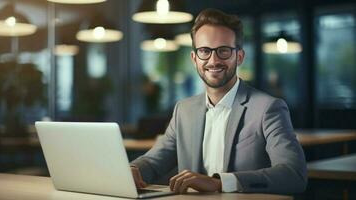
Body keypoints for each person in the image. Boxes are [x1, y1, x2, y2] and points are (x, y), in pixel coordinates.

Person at [131, 8, 307, 194]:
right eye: (205, 51)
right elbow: (154, 160)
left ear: (239, 56)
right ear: (194, 58)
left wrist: (220, 182)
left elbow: (294, 175)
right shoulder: (184, 110)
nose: (213, 60)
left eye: (223, 51)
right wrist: (133, 169)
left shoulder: (268, 108)